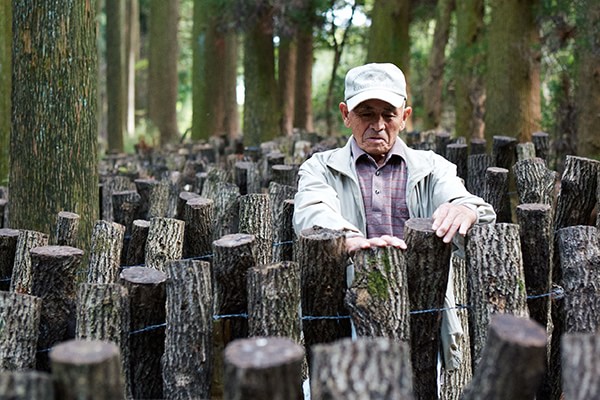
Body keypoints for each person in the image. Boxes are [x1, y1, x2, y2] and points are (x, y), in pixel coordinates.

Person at [292, 62, 496, 369]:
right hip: (344, 316)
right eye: (366, 114)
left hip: (421, 316)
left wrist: (463, 209)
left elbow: (465, 203)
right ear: (346, 114)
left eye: (388, 114)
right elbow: (311, 210)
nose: (378, 124)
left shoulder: (433, 167)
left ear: (405, 116)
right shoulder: (319, 167)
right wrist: (347, 238)